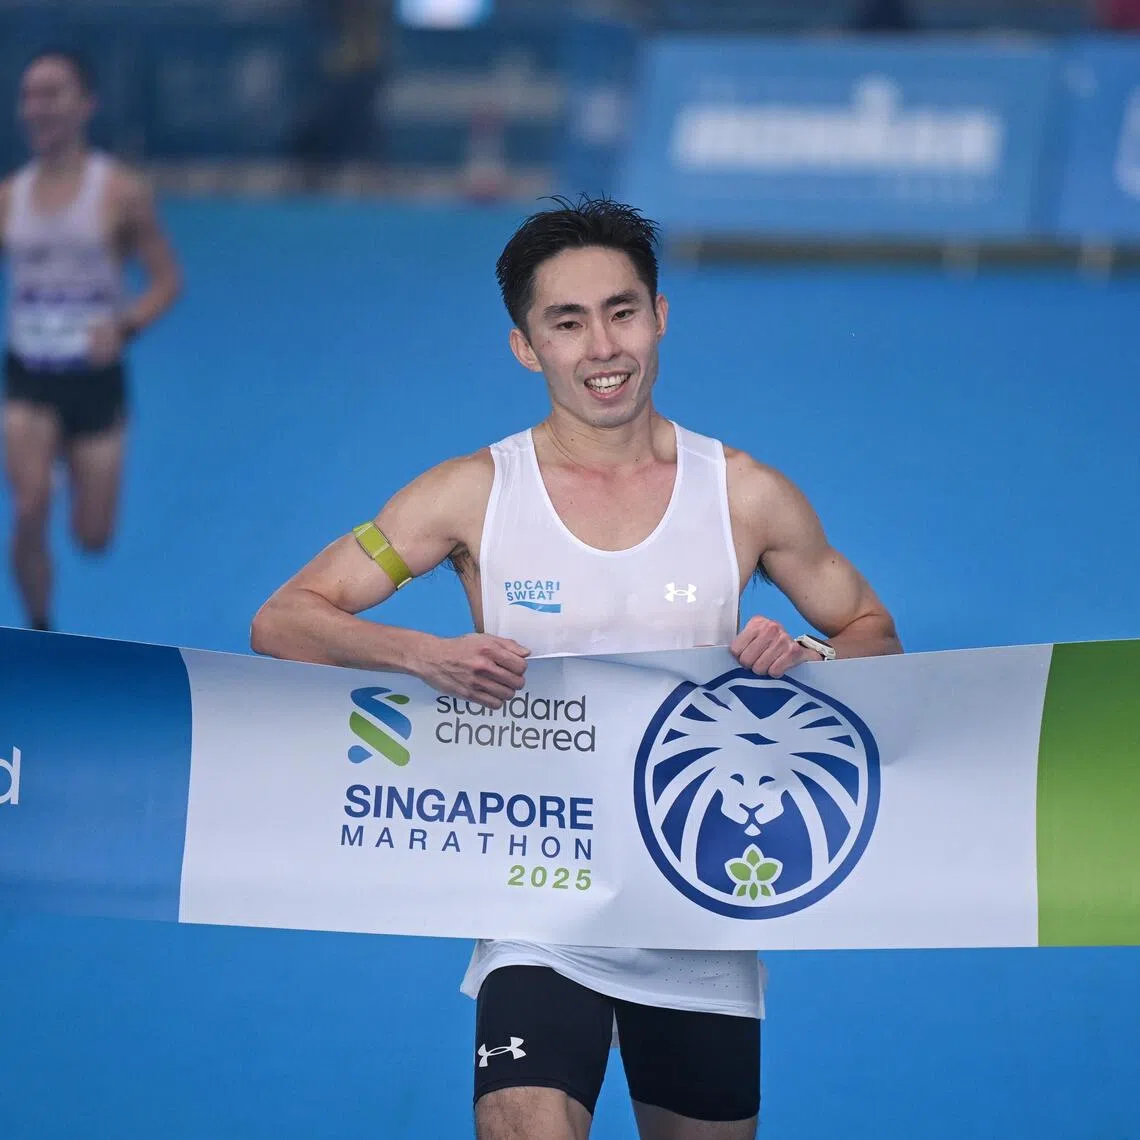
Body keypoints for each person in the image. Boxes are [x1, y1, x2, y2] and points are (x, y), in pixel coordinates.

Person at [251, 196, 902, 1140]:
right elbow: (286, 619)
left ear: (659, 316)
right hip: (537, 895)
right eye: (567, 322)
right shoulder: (469, 495)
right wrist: (425, 655)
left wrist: (812, 655)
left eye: (621, 311)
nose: (603, 347)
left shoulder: (746, 495)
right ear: (527, 347)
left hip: (698, 902)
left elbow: (874, 633)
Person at [1, 50, 182, 632]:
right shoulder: (8, 196)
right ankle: (40, 630)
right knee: (29, 505)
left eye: (52, 93)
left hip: (96, 380)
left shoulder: (121, 192)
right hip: (29, 375)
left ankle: (63, 469)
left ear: (85, 105)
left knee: (92, 536)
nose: (38, 107)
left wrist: (125, 327)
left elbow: (167, 280)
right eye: (29, 95)